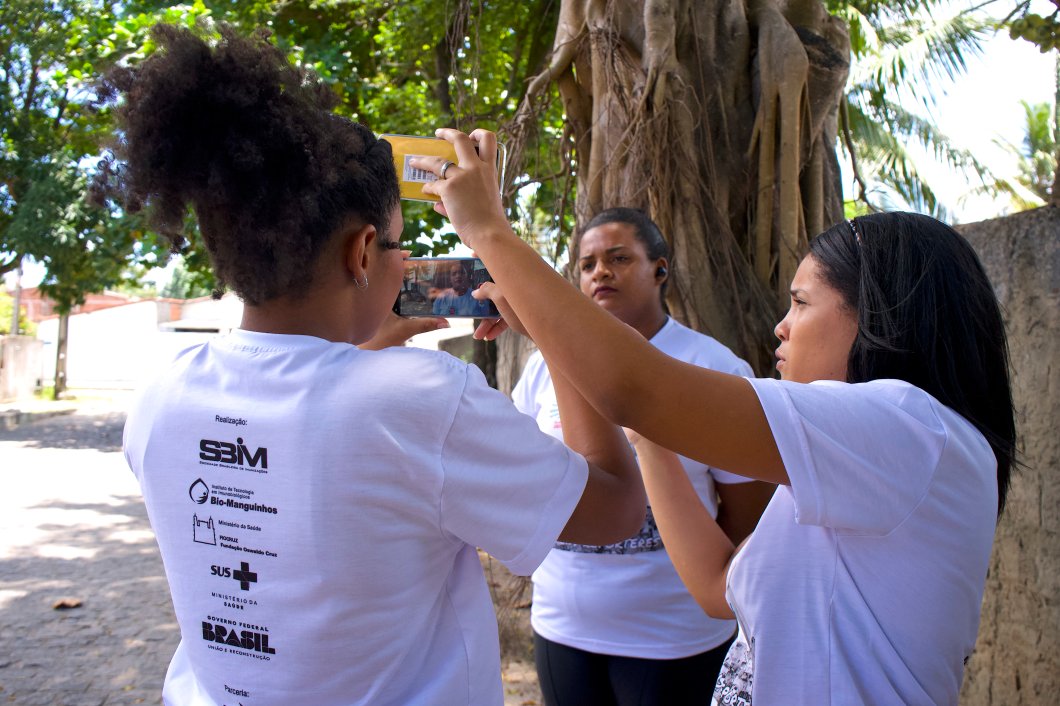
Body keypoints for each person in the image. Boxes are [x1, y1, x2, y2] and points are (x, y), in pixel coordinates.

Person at [101, 26, 645, 706]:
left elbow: (305, 453)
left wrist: (363, 350)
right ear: (362, 254)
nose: (404, 263)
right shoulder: (419, 399)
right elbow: (617, 508)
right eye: (399, 244)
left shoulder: (161, 391)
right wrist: (551, 335)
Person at [414, 129, 1017, 705]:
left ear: (879, 317)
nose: (780, 326)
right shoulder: (863, 457)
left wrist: (490, 230)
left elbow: (636, 389)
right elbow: (713, 583)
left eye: (801, 303)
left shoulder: (908, 427)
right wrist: (565, 354)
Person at [511, 207, 773, 705]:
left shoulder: (711, 367)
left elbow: (747, 519)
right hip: (560, 628)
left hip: (673, 639)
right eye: (587, 265)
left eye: (617, 258)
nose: (599, 273)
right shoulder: (544, 367)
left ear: (660, 269)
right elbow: (528, 475)